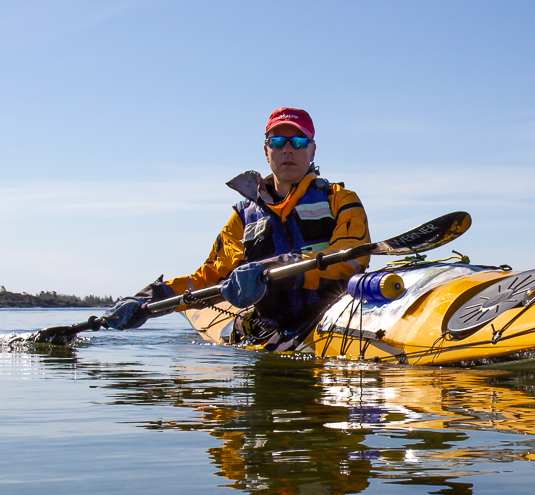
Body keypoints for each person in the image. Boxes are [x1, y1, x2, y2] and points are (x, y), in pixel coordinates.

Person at [102, 107, 370, 349]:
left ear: (312, 151)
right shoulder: (243, 217)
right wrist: (148, 298)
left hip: (329, 317)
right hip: (271, 329)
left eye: (298, 141)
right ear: (267, 152)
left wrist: (274, 269)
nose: (288, 149)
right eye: (277, 142)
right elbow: (209, 276)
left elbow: (351, 257)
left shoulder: (340, 200)